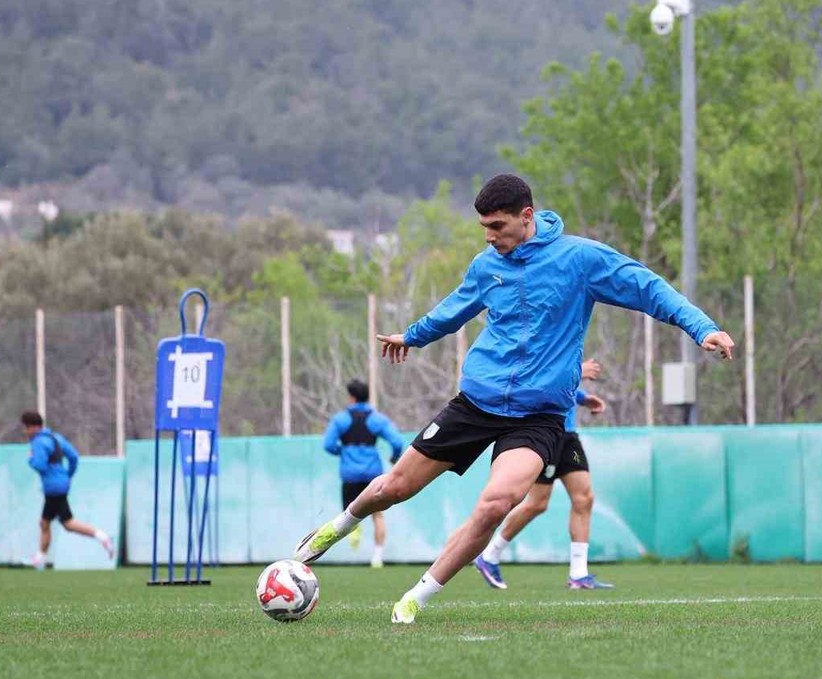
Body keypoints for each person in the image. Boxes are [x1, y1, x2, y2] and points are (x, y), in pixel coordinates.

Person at [293, 173, 734, 624]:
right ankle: (337, 527)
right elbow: (454, 308)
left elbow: (648, 288)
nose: (489, 236)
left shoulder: (580, 259)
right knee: (395, 488)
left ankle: (413, 600)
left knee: (495, 504)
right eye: (483, 227)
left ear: (527, 217)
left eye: (497, 226)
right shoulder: (486, 265)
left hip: (538, 418)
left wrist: (702, 328)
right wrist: (413, 336)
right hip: (475, 404)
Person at [474, 358, 613, 590]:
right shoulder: (537, 347)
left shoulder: (566, 348)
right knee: (537, 504)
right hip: (546, 433)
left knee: (584, 498)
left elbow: (561, 384)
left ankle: (579, 574)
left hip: (569, 436)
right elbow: (539, 378)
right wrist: (579, 371)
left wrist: (582, 398)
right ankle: (489, 555)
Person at [321, 379, 406, 568]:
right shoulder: (376, 419)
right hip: (372, 473)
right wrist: (394, 457)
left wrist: (342, 451)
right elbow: (397, 441)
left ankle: (355, 528)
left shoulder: (341, 419)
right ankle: (377, 557)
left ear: (351, 398)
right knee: (378, 515)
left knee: (349, 512)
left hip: (350, 473)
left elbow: (328, 444)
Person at [21, 411, 113, 569]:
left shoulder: (38, 442)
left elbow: (40, 465)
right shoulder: (55, 438)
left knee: (66, 523)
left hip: (52, 487)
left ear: (33, 427)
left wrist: (30, 459)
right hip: (61, 484)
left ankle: (102, 536)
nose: (25, 432)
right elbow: (74, 457)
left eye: (25, 428)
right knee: (46, 522)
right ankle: (40, 558)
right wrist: (68, 475)